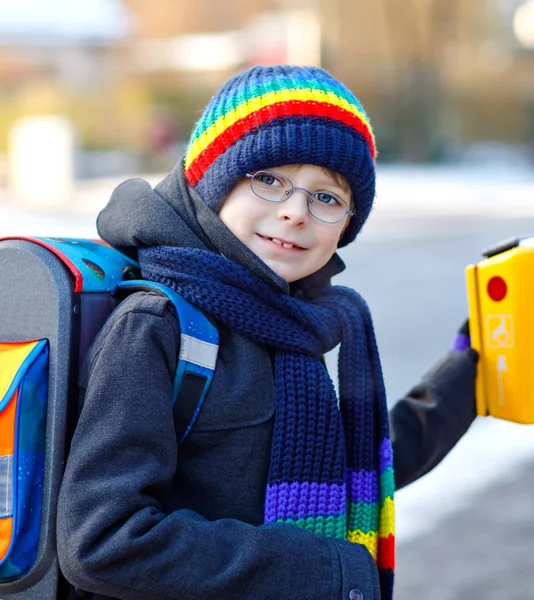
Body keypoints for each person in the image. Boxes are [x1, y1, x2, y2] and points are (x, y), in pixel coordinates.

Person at [56, 64, 478, 600]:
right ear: (216, 181)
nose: (296, 212)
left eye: (327, 197)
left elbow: (361, 462)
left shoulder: (297, 324)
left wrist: (471, 373)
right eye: (270, 180)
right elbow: (104, 541)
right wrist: (318, 571)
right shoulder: (157, 326)